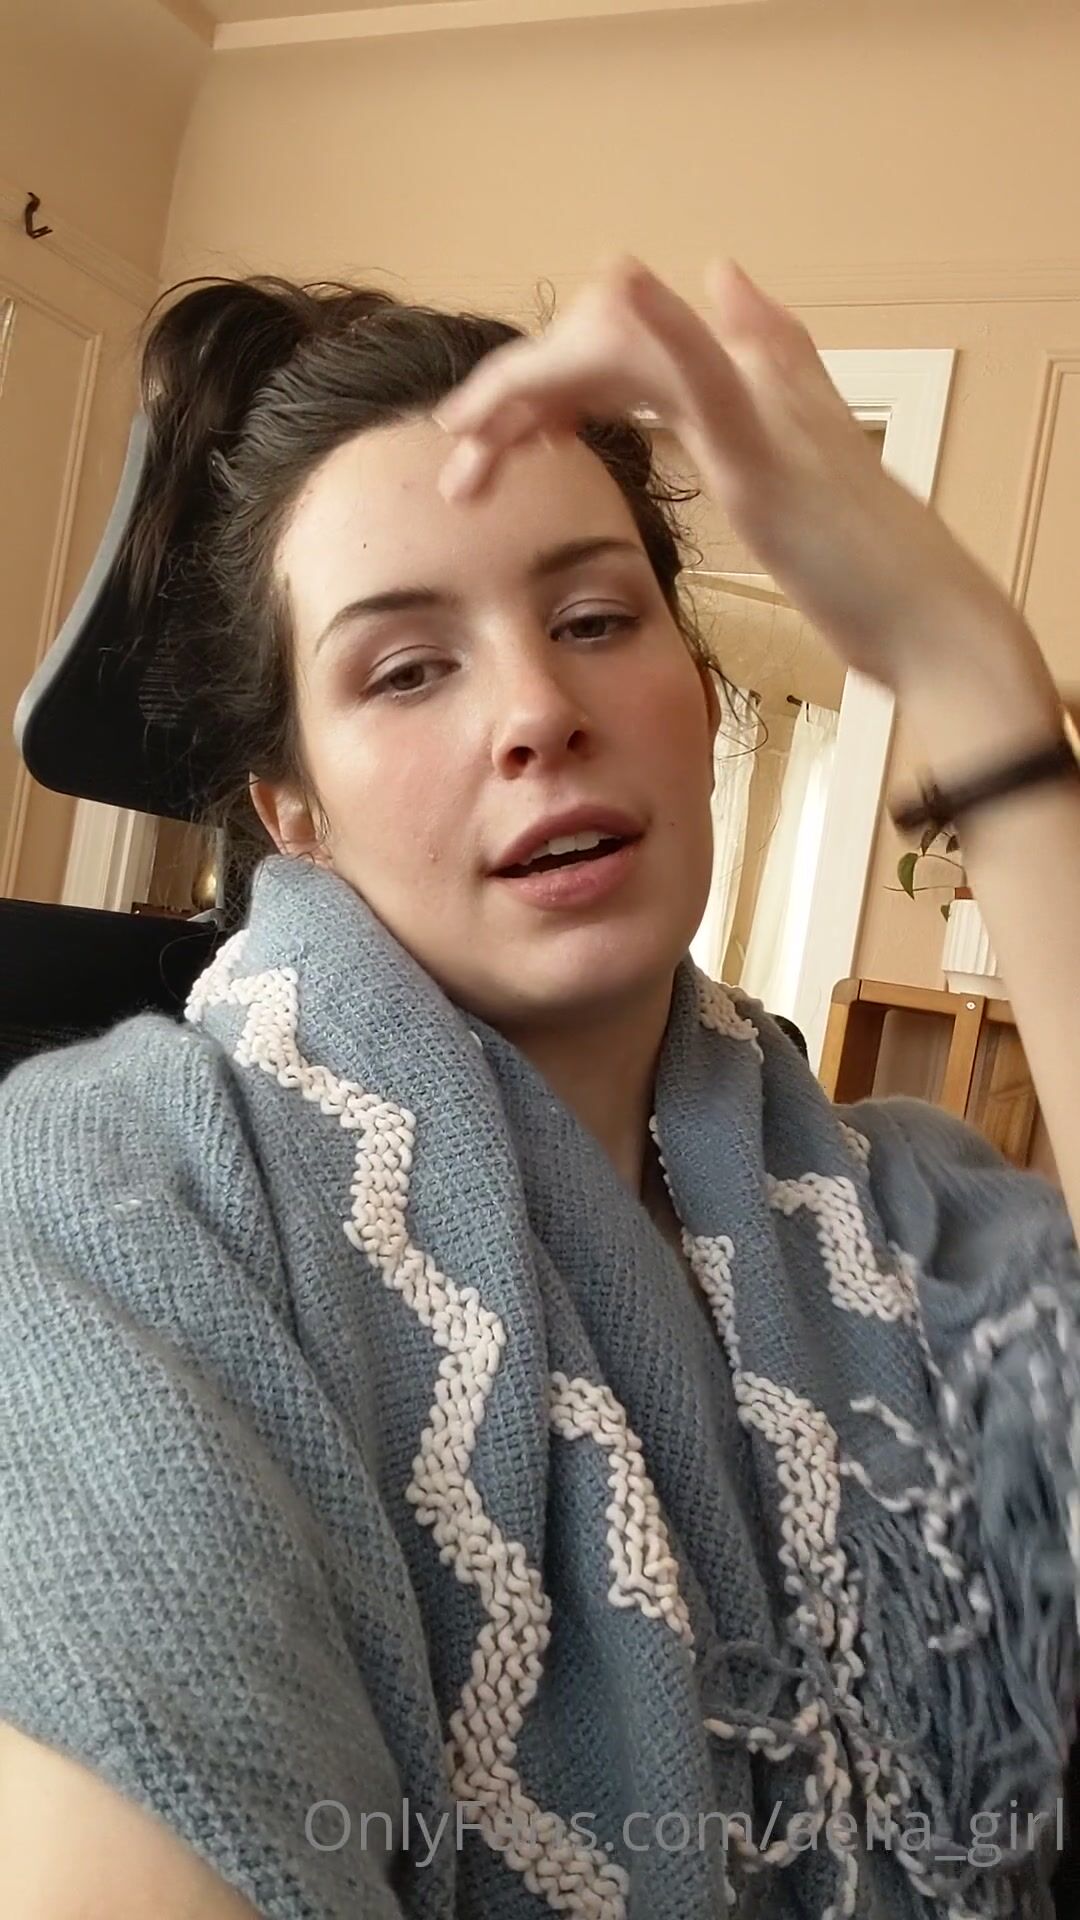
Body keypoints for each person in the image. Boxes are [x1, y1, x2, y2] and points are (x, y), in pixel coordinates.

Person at [1, 257, 1078, 1920]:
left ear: (699, 696)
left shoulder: (920, 1218)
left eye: (594, 621)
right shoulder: (115, 1198)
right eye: (404, 669)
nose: (538, 712)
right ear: (291, 807)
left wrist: (970, 675)